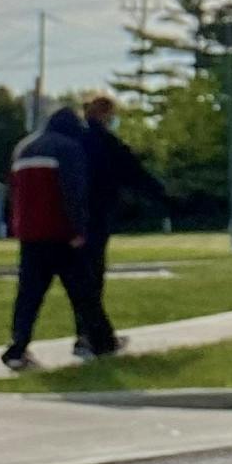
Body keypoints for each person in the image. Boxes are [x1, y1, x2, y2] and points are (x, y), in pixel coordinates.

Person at [1, 104, 119, 371]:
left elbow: (12, 192)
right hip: (60, 233)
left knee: (28, 295)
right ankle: (102, 343)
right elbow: (73, 191)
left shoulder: (23, 148)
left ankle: (17, 348)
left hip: (30, 234)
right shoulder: (68, 148)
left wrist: (13, 225)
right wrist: (79, 229)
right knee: (84, 293)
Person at [75, 92, 167, 353]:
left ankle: (86, 332)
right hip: (97, 215)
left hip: (72, 217)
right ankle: (93, 336)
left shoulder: (75, 140)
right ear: (105, 115)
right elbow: (134, 173)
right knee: (93, 277)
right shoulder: (107, 143)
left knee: (80, 279)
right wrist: (163, 195)